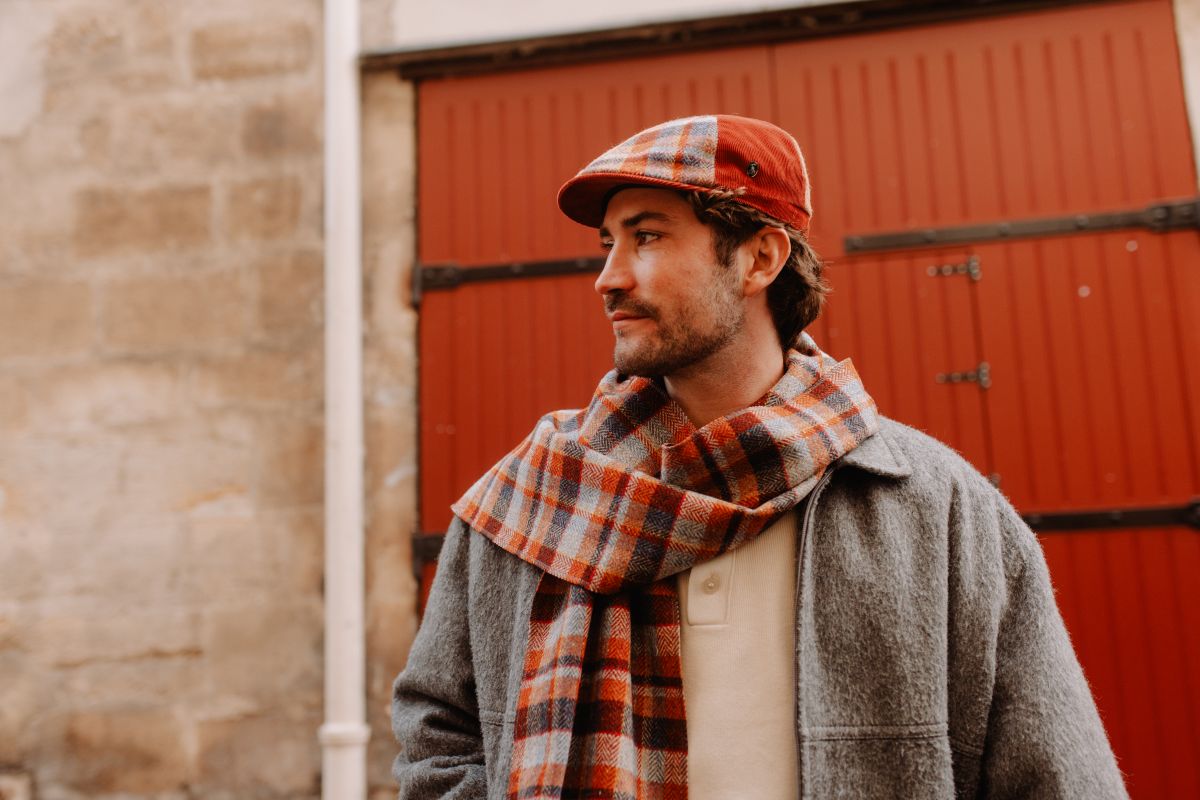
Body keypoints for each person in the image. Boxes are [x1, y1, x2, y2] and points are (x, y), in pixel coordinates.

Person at [392, 114, 1127, 799]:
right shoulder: (531, 499)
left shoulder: (936, 506)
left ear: (760, 257)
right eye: (608, 244)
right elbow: (438, 734)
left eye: (646, 238)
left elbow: (1053, 771)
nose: (609, 277)